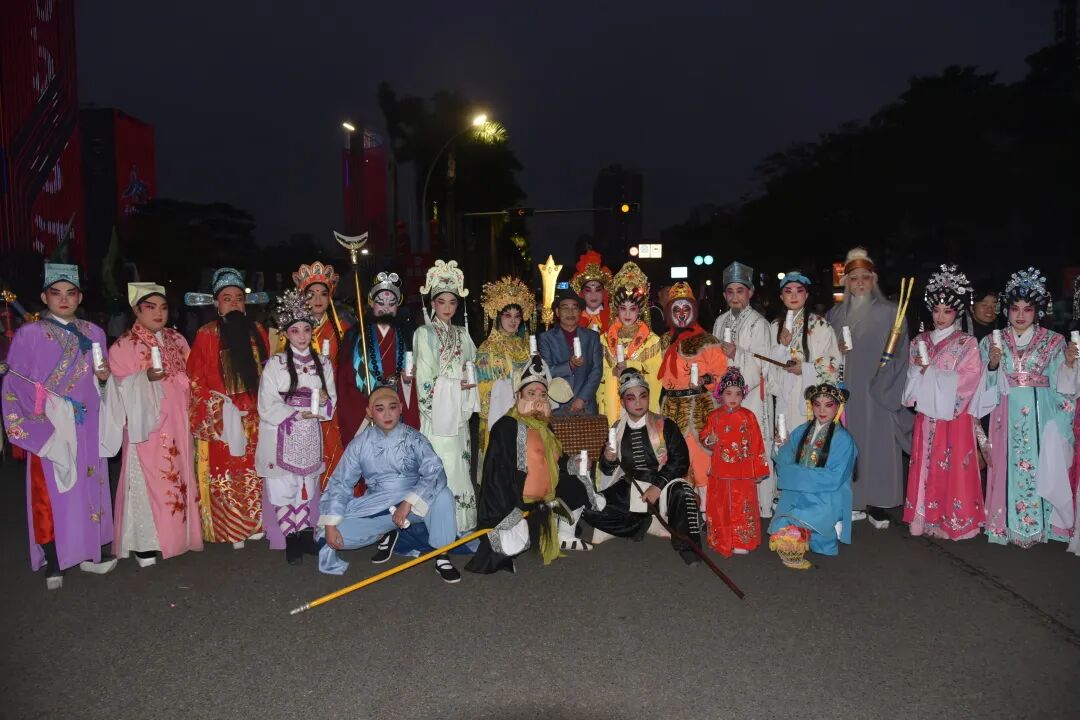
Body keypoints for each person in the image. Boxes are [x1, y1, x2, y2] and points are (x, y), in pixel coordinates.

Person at [2, 263, 116, 589]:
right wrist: (48, 411)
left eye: (71, 293)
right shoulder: (29, 334)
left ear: (80, 297)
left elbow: (101, 378)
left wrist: (104, 380)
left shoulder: (94, 333)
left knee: (90, 486)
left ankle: (91, 550)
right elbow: (15, 383)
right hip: (51, 424)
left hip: (88, 422)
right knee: (50, 492)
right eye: (56, 293)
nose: (64, 300)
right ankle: (55, 558)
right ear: (44, 297)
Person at [975, 268, 1078, 548]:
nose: (1020, 315)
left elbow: (1063, 386)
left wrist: (1070, 365)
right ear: (1006, 310)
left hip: (1040, 416)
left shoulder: (1054, 341)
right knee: (1004, 465)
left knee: (1041, 467)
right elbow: (980, 386)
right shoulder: (991, 341)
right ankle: (1004, 525)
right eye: (1015, 308)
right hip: (1004, 416)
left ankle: (1040, 526)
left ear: (1038, 311)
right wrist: (993, 366)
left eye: (1028, 309)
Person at [101, 282, 202, 566]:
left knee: (179, 477)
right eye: (150, 307)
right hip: (148, 426)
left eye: (163, 307)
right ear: (136, 310)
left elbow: (193, 374)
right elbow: (117, 390)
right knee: (148, 480)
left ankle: (179, 536)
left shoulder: (177, 339)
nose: (159, 313)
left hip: (179, 421)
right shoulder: (124, 345)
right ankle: (144, 543)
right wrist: (144, 378)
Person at [317, 385, 461, 582]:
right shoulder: (360, 444)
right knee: (331, 537)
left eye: (392, 407)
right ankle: (387, 531)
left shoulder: (415, 438)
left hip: (415, 505)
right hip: (378, 504)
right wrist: (330, 524)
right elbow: (341, 482)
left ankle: (442, 555)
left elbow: (435, 471)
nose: (387, 414)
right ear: (369, 412)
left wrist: (408, 502)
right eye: (380, 409)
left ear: (400, 408)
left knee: (443, 495)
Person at [466, 356, 595, 574]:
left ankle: (564, 534)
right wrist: (508, 512)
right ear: (518, 396)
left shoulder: (545, 427)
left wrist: (574, 462)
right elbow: (496, 476)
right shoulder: (506, 427)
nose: (538, 400)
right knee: (511, 545)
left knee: (579, 481)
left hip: (546, 500)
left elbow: (555, 460)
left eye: (543, 395)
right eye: (531, 394)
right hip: (518, 505)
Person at [185, 268, 270, 549]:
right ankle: (231, 528)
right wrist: (220, 408)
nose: (234, 303)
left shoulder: (258, 331)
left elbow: (268, 372)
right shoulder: (206, 334)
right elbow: (195, 379)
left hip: (255, 417)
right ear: (216, 303)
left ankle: (257, 523)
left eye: (239, 298)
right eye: (227, 298)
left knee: (255, 471)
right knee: (227, 474)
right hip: (224, 415)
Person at [826, 247, 909, 529]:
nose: (859, 283)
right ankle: (853, 499)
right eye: (854, 278)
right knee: (849, 445)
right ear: (846, 283)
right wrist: (835, 352)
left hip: (879, 391)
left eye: (865, 277)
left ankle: (877, 502)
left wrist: (887, 385)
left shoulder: (891, 313)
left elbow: (902, 354)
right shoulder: (835, 315)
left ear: (874, 280)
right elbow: (826, 356)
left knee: (879, 445)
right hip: (847, 391)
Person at [901, 266, 986, 540]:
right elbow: (911, 381)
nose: (940, 316)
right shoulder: (919, 341)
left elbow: (970, 379)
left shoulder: (967, 343)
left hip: (954, 417)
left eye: (947, 311)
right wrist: (917, 371)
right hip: (927, 415)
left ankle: (953, 520)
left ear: (956, 313)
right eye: (936, 310)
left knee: (953, 467)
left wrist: (932, 373)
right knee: (925, 464)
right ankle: (922, 515)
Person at [588, 368, 702, 564]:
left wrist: (657, 487)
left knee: (683, 493)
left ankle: (688, 548)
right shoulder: (616, 429)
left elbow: (680, 461)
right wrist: (608, 458)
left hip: (663, 483)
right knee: (590, 506)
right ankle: (642, 524)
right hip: (630, 485)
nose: (638, 402)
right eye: (631, 398)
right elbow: (607, 470)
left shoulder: (665, 425)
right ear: (623, 402)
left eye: (643, 396)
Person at [255, 290, 336, 564]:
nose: (301, 336)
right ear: (286, 334)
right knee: (282, 486)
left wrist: (323, 402)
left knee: (306, 485)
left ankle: (303, 534)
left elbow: (331, 399)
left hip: (309, 431)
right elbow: (267, 402)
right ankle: (290, 536)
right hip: (283, 430)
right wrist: (296, 413)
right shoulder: (275, 364)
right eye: (295, 330)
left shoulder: (323, 363)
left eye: (306, 330)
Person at [414, 259, 479, 532]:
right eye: (442, 302)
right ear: (433, 303)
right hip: (438, 414)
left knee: (460, 467)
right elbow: (424, 379)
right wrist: (454, 386)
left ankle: (462, 524)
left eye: (452, 302)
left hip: (459, 412)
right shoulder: (424, 334)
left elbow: (471, 365)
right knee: (441, 465)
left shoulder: (463, 335)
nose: (447, 308)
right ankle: (438, 527)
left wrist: (469, 379)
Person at [712, 261, 776, 517]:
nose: (735, 297)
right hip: (724, 398)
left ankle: (760, 505)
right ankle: (733, 503)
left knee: (754, 446)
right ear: (724, 295)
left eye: (740, 291)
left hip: (751, 399)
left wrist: (737, 354)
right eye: (730, 292)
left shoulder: (759, 324)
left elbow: (763, 363)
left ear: (750, 293)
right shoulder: (719, 321)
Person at [768, 383, 856, 558]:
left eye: (828, 405)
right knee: (783, 531)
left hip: (827, 493)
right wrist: (780, 446)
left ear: (838, 407)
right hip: (799, 490)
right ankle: (802, 534)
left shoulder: (844, 439)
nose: (822, 410)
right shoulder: (802, 430)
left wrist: (797, 475)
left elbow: (835, 477)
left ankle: (822, 538)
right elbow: (785, 457)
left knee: (821, 540)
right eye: (817, 404)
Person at [657, 282, 728, 493]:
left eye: (686, 308)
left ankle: (706, 508)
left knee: (701, 461)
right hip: (671, 408)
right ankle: (681, 505)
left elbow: (722, 376)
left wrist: (705, 380)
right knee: (675, 460)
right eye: (676, 309)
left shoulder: (708, 341)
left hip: (699, 408)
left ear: (694, 311)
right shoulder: (664, 341)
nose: (681, 314)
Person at [336, 270, 418, 442]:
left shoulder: (407, 336)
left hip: (397, 406)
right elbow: (345, 379)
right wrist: (366, 408)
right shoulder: (356, 336)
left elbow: (413, 378)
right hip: (365, 409)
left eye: (391, 303)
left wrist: (407, 381)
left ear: (397, 306)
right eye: (380, 302)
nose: (385, 308)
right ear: (371, 303)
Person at [287, 262, 346, 491]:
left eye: (323, 293)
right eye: (311, 294)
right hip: (301, 407)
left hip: (333, 404)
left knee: (335, 454)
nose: (318, 299)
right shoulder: (293, 331)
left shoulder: (342, 329)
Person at [700, 368, 769, 556]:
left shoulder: (748, 416)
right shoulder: (714, 416)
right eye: (728, 393)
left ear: (743, 395)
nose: (733, 398)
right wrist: (709, 440)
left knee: (742, 506)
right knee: (721, 506)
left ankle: (741, 540)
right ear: (721, 394)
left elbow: (757, 444)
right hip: (720, 471)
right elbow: (704, 436)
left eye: (738, 394)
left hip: (743, 471)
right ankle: (722, 539)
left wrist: (759, 470)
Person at [476, 276, 535, 477]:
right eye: (507, 315)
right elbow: (482, 387)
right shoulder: (487, 348)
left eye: (517, 316)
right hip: (499, 416)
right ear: (497, 316)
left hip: (525, 414)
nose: (513, 320)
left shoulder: (526, 346)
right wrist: (507, 391)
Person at [597, 262, 662, 423]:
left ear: (639, 310)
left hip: (641, 403)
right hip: (613, 404)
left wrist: (632, 366)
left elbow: (657, 375)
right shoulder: (603, 339)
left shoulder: (652, 340)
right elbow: (598, 373)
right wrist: (612, 373)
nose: (627, 314)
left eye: (632, 309)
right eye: (623, 308)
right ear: (616, 309)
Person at [538, 289, 602, 416]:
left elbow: (597, 371)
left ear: (580, 312)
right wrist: (569, 365)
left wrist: (582, 399)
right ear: (557, 312)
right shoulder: (546, 338)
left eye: (575, 308)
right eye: (565, 308)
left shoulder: (592, 337)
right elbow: (546, 371)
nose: (570, 312)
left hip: (586, 406)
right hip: (558, 407)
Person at [569, 250, 613, 333]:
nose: (593, 295)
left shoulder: (613, 318)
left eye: (598, 290)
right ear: (582, 294)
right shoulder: (573, 318)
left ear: (604, 292)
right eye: (588, 290)